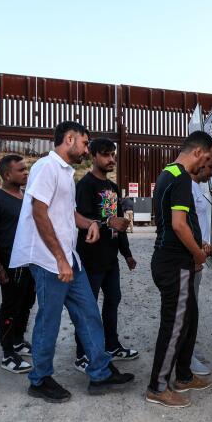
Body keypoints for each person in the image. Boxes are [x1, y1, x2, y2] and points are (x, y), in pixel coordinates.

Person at [9, 121, 134, 404]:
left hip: (68, 259)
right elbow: (39, 212)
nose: (86, 149)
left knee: (89, 313)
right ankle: (39, 379)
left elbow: (69, 213)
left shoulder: (65, 172)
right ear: (69, 139)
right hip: (48, 260)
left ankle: (100, 372)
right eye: (85, 143)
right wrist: (59, 259)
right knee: (49, 320)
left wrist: (91, 223)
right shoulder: (47, 167)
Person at [145, 131, 212, 409]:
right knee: (174, 326)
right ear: (198, 152)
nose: (205, 167)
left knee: (188, 319)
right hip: (174, 264)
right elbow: (178, 225)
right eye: (207, 159)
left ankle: (184, 375)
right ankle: (157, 387)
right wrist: (198, 254)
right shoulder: (181, 177)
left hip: (173, 261)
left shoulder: (169, 173)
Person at [72, 137, 138, 374]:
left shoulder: (112, 188)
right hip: (90, 259)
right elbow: (79, 220)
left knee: (113, 302)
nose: (111, 159)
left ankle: (111, 345)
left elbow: (119, 225)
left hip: (111, 260)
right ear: (93, 156)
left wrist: (127, 254)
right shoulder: (85, 185)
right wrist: (107, 221)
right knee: (87, 308)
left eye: (113, 155)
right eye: (106, 154)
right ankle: (82, 354)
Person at [0, 154, 34, 374]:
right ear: (6, 174)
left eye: (26, 169)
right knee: (10, 306)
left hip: (29, 262)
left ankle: (18, 340)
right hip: (9, 263)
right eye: (21, 170)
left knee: (26, 303)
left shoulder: (26, 196)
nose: (26, 173)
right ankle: (7, 354)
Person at [188, 151, 212, 377]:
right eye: (209, 167)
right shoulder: (186, 187)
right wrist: (198, 249)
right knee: (187, 309)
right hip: (191, 257)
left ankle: (187, 350)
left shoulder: (196, 187)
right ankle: (184, 359)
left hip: (198, 255)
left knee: (193, 306)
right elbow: (183, 225)